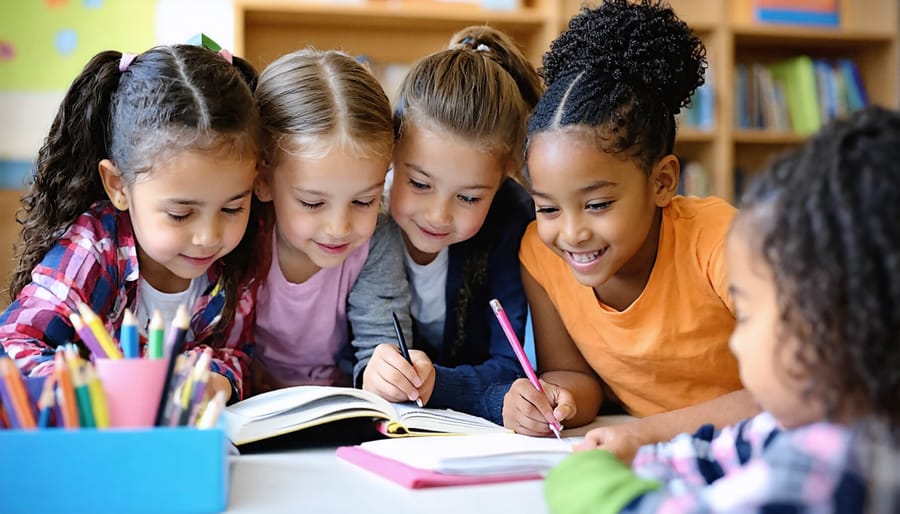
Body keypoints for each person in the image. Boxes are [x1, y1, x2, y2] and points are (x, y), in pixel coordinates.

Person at [544, 105, 900, 514]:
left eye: (745, 314)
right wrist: (634, 449)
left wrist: (590, 481)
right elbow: (715, 453)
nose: (735, 337)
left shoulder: (835, 464)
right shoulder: (804, 426)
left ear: (836, 328)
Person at [505, 0, 757, 459]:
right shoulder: (540, 256)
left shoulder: (722, 241)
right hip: (653, 451)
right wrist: (553, 401)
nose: (573, 233)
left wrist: (648, 435)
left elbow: (794, 389)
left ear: (662, 181)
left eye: (597, 204)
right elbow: (574, 376)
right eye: (547, 208)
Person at [0, 41, 263, 402]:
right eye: (180, 214)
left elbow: (238, 355)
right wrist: (89, 386)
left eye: (232, 209)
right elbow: (14, 341)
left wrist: (218, 378)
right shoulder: (93, 249)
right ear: (118, 186)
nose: (208, 236)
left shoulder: (235, 261)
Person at [361, 26, 543, 424]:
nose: (438, 215)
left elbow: (511, 365)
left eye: (469, 198)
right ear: (391, 148)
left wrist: (438, 384)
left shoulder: (512, 220)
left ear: (504, 176)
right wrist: (371, 373)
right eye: (420, 184)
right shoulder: (360, 210)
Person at [250, 48, 411, 391]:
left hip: (338, 410)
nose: (339, 228)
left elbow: (381, 345)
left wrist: (389, 372)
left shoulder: (377, 241)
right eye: (312, 203)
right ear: (262, 180)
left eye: (364, 200)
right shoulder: (240, 231)